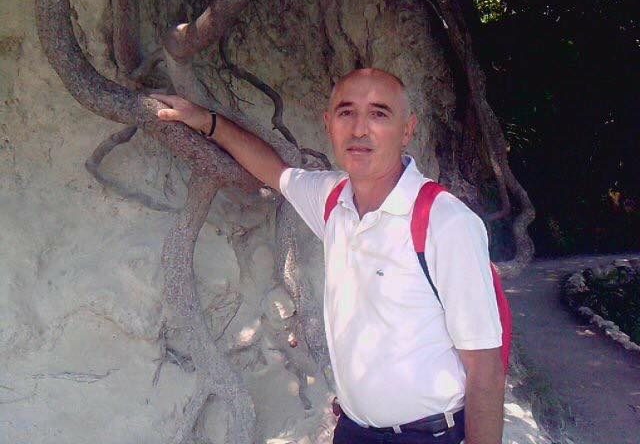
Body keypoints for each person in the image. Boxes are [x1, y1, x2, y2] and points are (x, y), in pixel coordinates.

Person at [151, 68, 505, 444]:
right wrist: (206, 121)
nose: (359, 129)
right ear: (328, 124)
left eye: (379, 113)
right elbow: (275, 171)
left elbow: (486, 369)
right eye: (346, 112)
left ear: (407, 130)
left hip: (426, 436)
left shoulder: (445, 222)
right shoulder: (333, 199)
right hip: (353, 430)